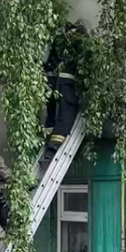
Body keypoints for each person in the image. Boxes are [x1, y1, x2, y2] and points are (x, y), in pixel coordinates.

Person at [38, 23, 86, 177]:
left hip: (50, 83)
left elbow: (46, 62)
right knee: (66, 116)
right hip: (66, 85)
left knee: (51, 116)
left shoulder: (57, 40)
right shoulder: (78, 42)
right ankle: (51, 151)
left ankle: (46, 148)